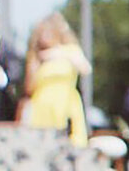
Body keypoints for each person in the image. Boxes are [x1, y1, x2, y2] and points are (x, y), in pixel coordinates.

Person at [20, 13, 90, 143]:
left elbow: (85, 68)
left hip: (65, 104)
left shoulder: (70, 50)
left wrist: (58, 53)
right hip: (42, 107)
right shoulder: (37, 57)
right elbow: (29, 88)